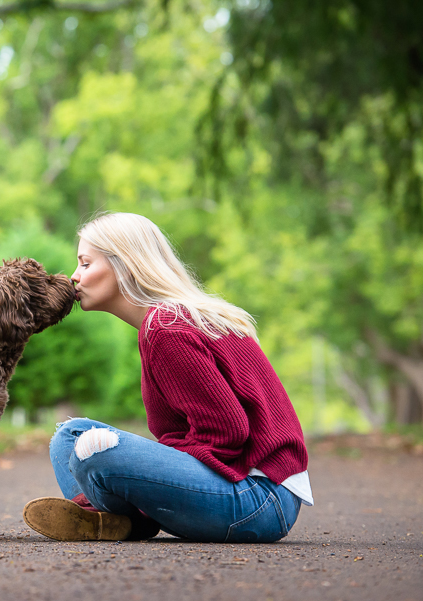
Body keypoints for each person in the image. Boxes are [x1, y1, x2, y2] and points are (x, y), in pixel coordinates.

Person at [22, 213, 312, 543]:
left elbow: (228, 433)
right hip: (245, 489)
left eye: (85, 264)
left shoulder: (166, 326)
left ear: (124, 266)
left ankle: (113, 514)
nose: (74, 277)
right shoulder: (165, 321)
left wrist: (127, 463)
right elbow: (184, 433)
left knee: (96, 453)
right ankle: (117, 521)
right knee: (69, 438)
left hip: (259, 498)